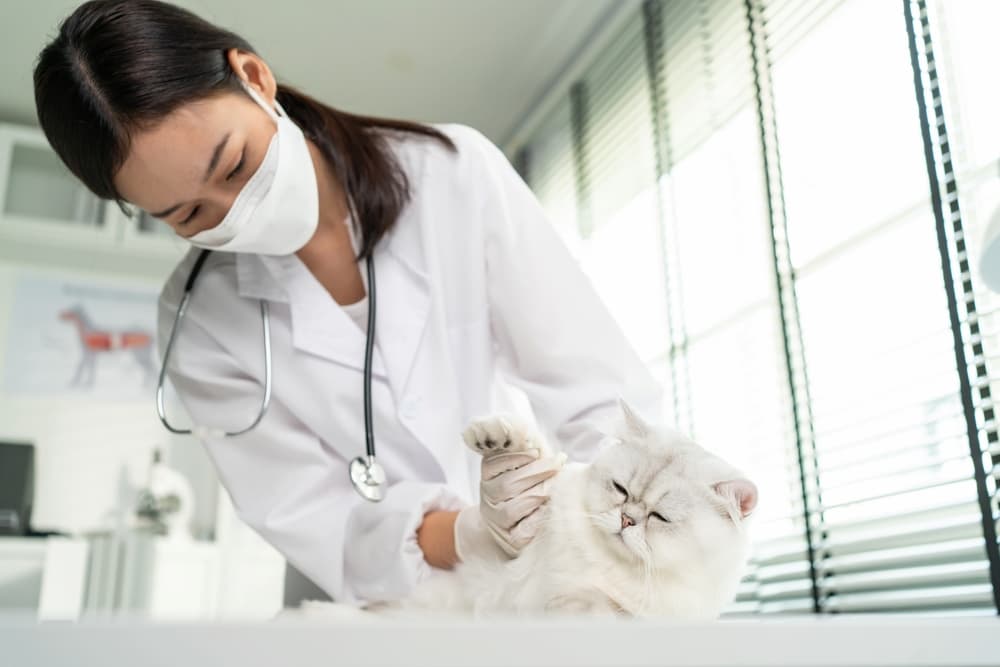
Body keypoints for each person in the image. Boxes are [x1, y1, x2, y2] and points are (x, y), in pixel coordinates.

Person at [32, 0, 663, 605]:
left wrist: (617, 539)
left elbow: (598, 397)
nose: (237, 213)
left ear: (254, 77)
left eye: (236, 166)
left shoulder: (451, 175)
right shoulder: (199, 323)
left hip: (531, 590)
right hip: (368, 615)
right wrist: (471, 531)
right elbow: (319, 522)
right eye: (190, 214)